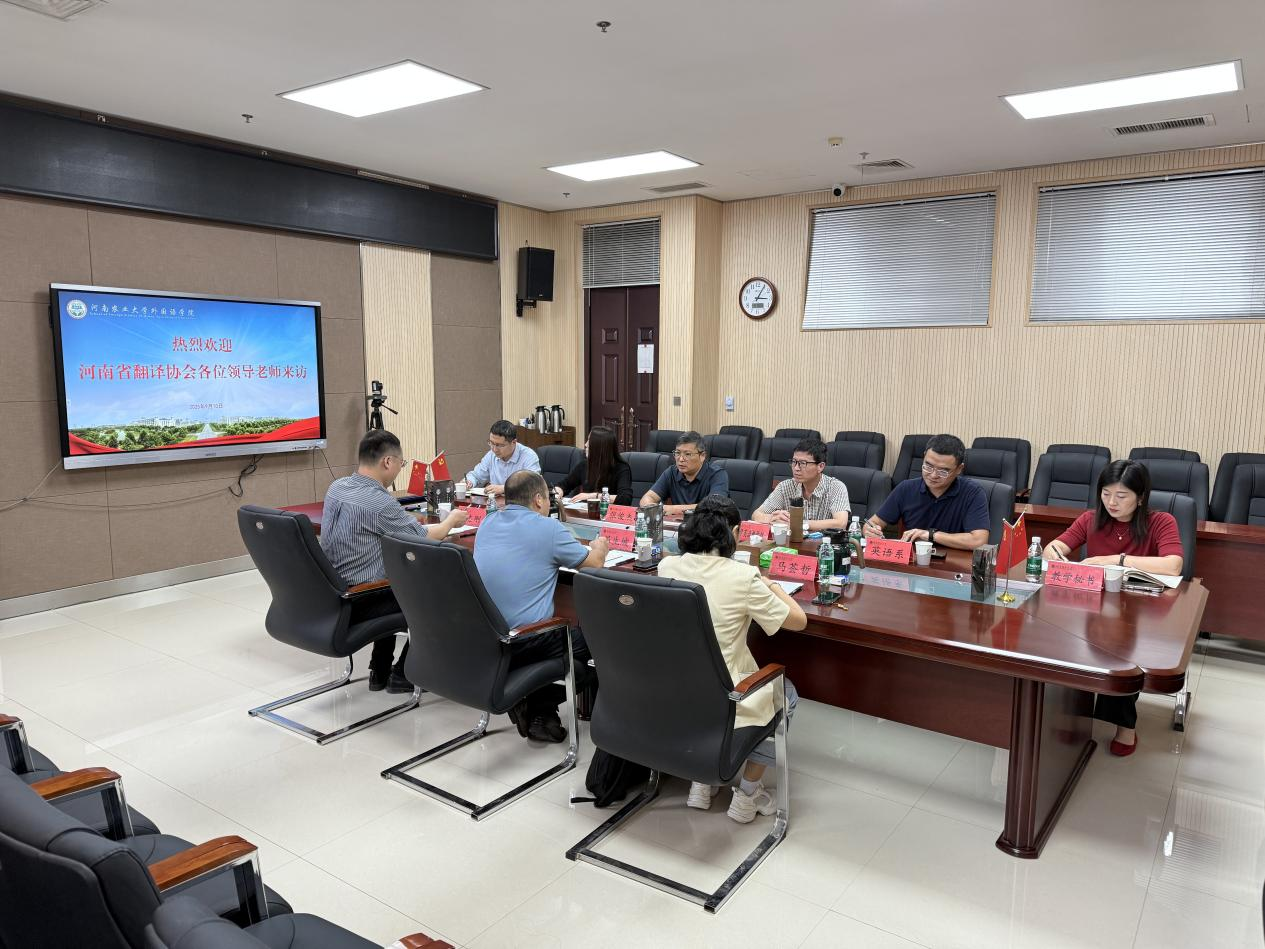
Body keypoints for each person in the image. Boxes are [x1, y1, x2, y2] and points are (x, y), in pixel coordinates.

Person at [658, 495, 807, 823]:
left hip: (677, 691)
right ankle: (748, 795)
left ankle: (702, 782)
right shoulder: (743, 576)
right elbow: (799, 621)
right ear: (735, 532)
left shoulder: (667, 567)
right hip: (727, 696)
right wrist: (771, 584)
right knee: (787, 694)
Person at [1044, 459, 1183, 756]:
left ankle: (1123, 724)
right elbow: (1053, 548)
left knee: (1121, 651)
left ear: (1140, 497)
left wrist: (1114, 560)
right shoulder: (1090, 519)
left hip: (1143, 611)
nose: (1111, 503)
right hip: (1097, 605)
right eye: (1106, 494)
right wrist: (1055, 552)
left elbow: (1173, 566)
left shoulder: (1161, 521)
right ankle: (1073, 716)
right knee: (1070, 646)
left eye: (1121, 496)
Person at [321, 430, 468, 693]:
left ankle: (379, 669)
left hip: (334, 593)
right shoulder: (379, 503)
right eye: (402, 463)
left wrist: (405, 520)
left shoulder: (337, 488)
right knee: (441, 593)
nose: (401, 468)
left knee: (392, 574)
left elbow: (376, 526)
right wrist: (451, 521)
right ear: (387, 462)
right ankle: (404, 673)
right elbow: (425, 537)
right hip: (364, 598)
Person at [474, 470, 608, 742]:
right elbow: (594, 564)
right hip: (526, 639)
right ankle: (537, 704)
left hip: (485, 636)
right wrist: (601, 546)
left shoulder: (488, 522)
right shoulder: (548, 529)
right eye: (548, 498)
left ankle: (540, 713)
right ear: (538, 499)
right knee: (599, 646)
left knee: (569, 646)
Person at [864, 433, 990, 550]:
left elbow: (979, 541)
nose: (933, 475)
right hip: (913, 560)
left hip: (954, 561)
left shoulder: (973, 493)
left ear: (959, 469)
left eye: (943, 471)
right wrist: (869, 530)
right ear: (924, 456)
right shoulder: (905, 488)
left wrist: (930, 535)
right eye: (928, 466)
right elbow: (872, 523)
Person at [752, 437, 851, 532]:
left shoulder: (836, 487)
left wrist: (798, 523)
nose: (796, 468)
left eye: (803, 463)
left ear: (820, 466)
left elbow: (840, 523)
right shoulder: (785, 487)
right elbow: (756, 515)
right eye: (794, 462)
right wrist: (772, 518)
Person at [639, 431, 730, 517]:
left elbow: (715, 506)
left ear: (702, 456)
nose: (681, 459)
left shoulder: (717, 474)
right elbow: (647, 498)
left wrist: (673, 509)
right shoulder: (671, 472)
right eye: (677, 453)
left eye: (687, 454)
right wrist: (652, 507)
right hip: (678, 525)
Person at [553, 425, 633, 505]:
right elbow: (563, 485)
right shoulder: (584, 465)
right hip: (587, 511)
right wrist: (557, 493)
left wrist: (594, 496)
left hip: (609, 511)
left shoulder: (622, 468)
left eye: (589, 441)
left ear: (599, 447)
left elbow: (625, 498)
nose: (585, 444)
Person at [464, 420, 541, 497]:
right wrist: (469, 482)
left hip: (520, 502)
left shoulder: (529, 456)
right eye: (491, 443)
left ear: (513, 442)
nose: (494, 449)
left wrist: (504, 488)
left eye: (499, 445)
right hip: (496, 502)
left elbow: (533, 484)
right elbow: (476, 476)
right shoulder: (491, 455)